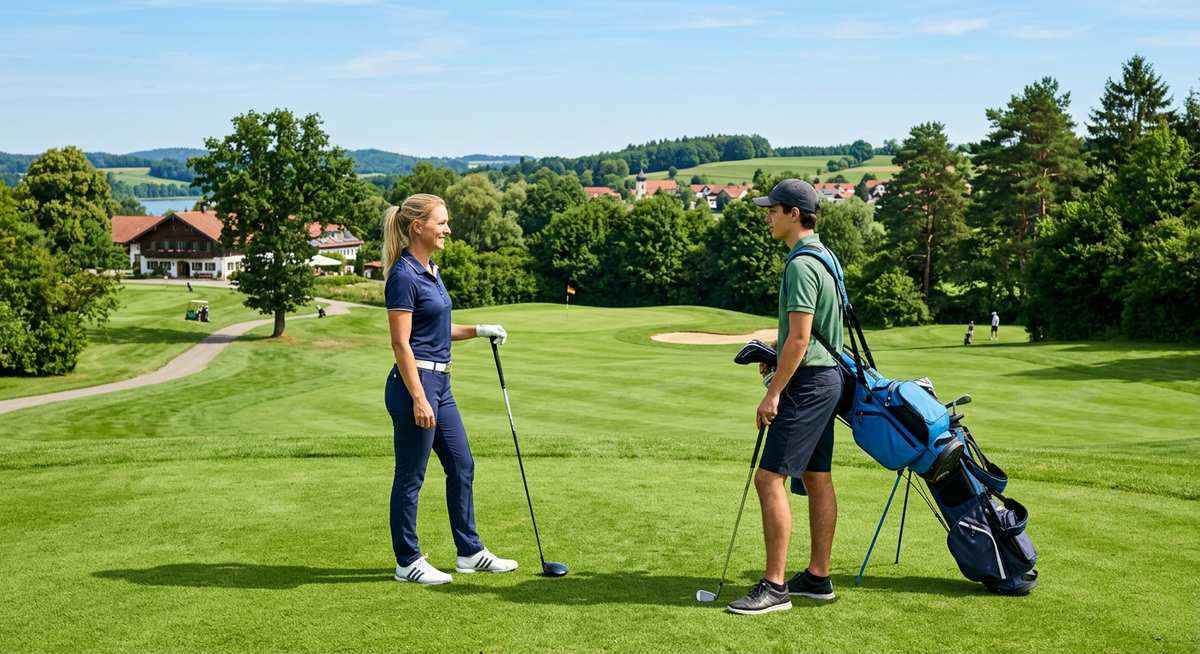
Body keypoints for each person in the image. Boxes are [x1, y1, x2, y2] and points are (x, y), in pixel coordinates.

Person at [382, 193, 517, 586]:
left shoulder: (431, 271)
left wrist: (479, 330)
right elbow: (401, 343)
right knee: (411, 475)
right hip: (416, 385)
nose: (447, 229)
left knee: (462, 464)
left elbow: (439, 329)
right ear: (417, 227)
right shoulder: (404, 275)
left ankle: (470, 552)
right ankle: (407, 561)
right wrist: (419, 397)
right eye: (440, 223)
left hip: (441, 383)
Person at [727, 179, 843, 615]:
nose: (767, 215)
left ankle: (774, 588)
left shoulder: (799, 265)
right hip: (828, 378)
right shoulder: (824, 256)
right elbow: (810, 338)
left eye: (773, 209)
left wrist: (773, 392)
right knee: (816, 477)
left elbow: (800, 338)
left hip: (807, 384)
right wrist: (776, 354)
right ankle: (817, 578)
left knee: (768, 478)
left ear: (795, 213)